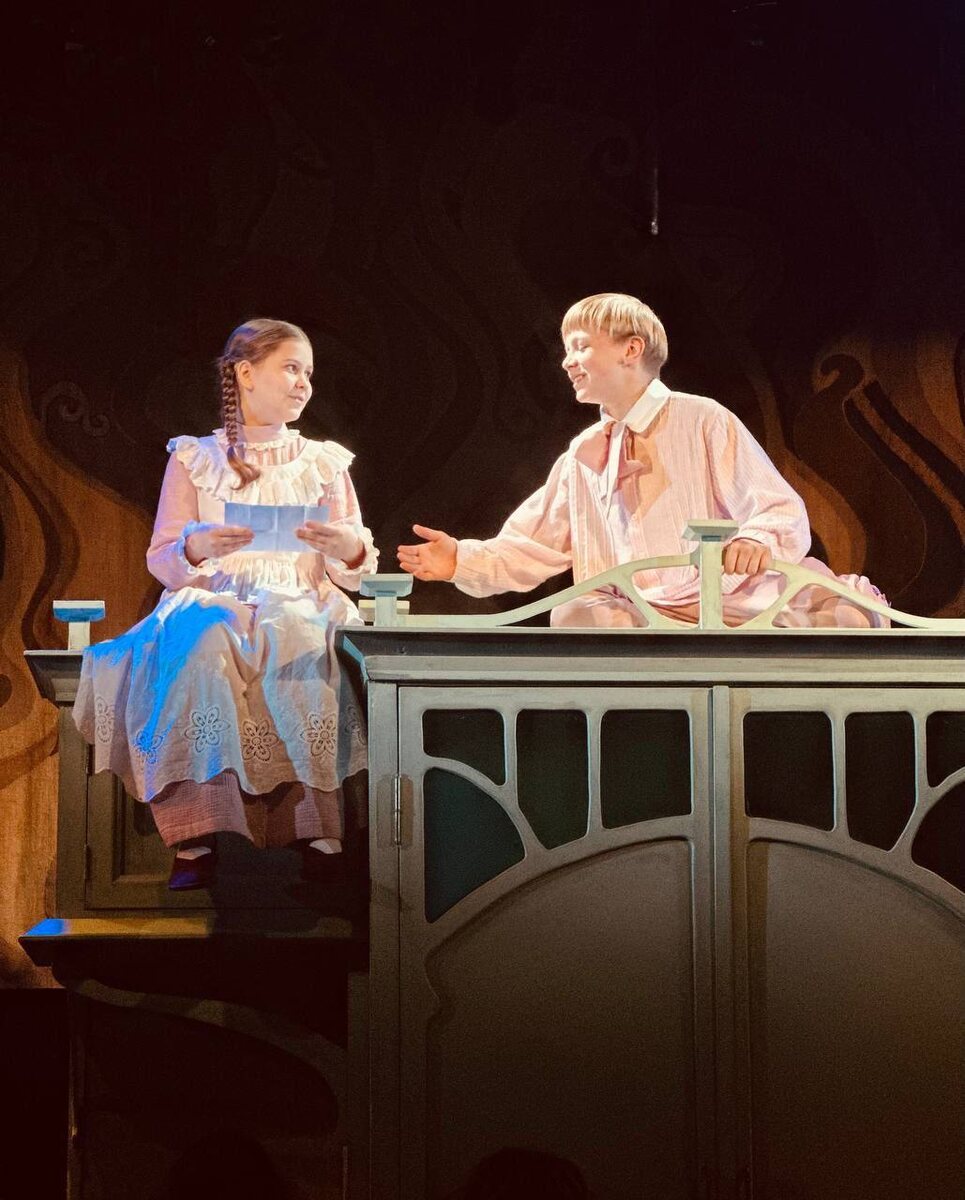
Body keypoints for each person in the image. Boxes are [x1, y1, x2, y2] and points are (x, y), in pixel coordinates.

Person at [74, 318, 379, 889]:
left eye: (309, 373)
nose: (304, 384)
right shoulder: (195, 457)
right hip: (217, 592)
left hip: (299, 593)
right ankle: (198, 833)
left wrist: (345, 546)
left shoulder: (324, 462)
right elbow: (162, 555)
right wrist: (197, 545)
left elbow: (355, 566)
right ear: (246, 373)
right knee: (204, 634)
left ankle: (317, 831)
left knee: (297, 633)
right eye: (291, 368)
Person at [398, 292, 887, 629]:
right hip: (638, 612)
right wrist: (460, 559)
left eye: (581, 347)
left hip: (731, 597)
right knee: (575, 616)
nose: (567, 361)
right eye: (568, 350)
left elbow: (776, 506)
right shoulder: (585, 454)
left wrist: (754, 540)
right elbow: (532, 544)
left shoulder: (701, 418)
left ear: (631, 349)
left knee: (844, 615)